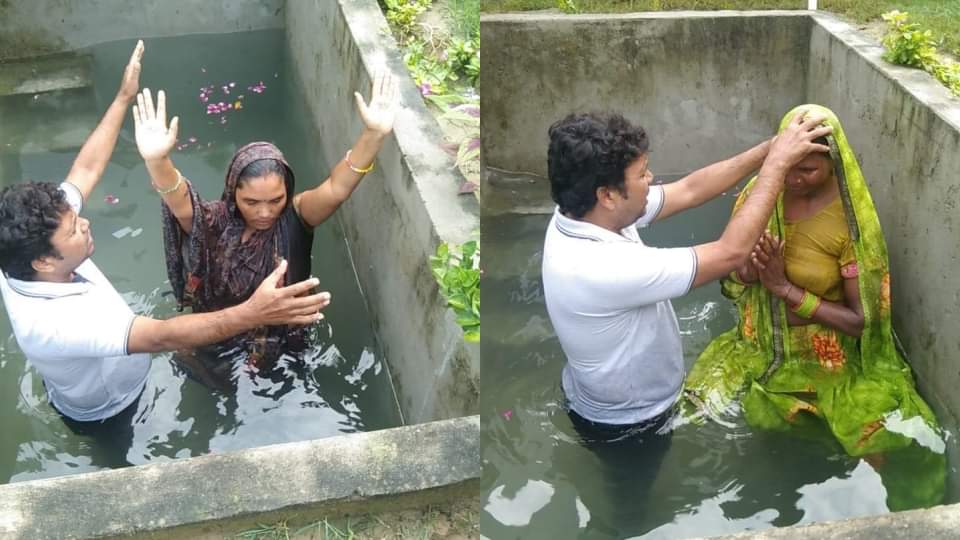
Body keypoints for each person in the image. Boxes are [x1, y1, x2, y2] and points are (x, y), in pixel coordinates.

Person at [0, 40, 331, 434]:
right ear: (44, 261)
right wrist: (257, 313)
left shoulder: (35, 235)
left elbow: (86, 169)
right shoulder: (55, 326)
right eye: (74, 229)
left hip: (114, 355)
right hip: (112, 405)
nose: (85, 223)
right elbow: (160, 335)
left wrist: (123, 98)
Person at [540, 111, 830, 533]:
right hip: (629, 423)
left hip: (599, 395)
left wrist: (769, 149)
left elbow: (691, 189)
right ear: (607, 194)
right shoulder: (599, 265)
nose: (652, 178)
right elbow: (731, 253)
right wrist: (777, 166)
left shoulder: (584, 212)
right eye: (642, 174)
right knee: (629, 511)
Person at [683, 104, 945, 510]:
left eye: (808, 170)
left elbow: (861, 322)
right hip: (759, 348)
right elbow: (730, 275)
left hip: (829, 365)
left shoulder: (849, 223)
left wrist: (785, 288)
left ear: (834, 163)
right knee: (694, 415)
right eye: (786, 166)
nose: (793, 179)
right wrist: (750, 274)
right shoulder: (761, 195)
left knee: (886, 446)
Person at [130, 73, 398, 365]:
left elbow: (336, 188)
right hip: (218, 331)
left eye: (275, 200)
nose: (265, 212)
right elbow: (180, 202)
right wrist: (157, 160)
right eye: (251, 202)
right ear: (233, 194)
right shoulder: (213, 222)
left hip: (280, 344)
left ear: (288, 192)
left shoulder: (295, 219)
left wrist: (374, 134)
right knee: (185, 358)